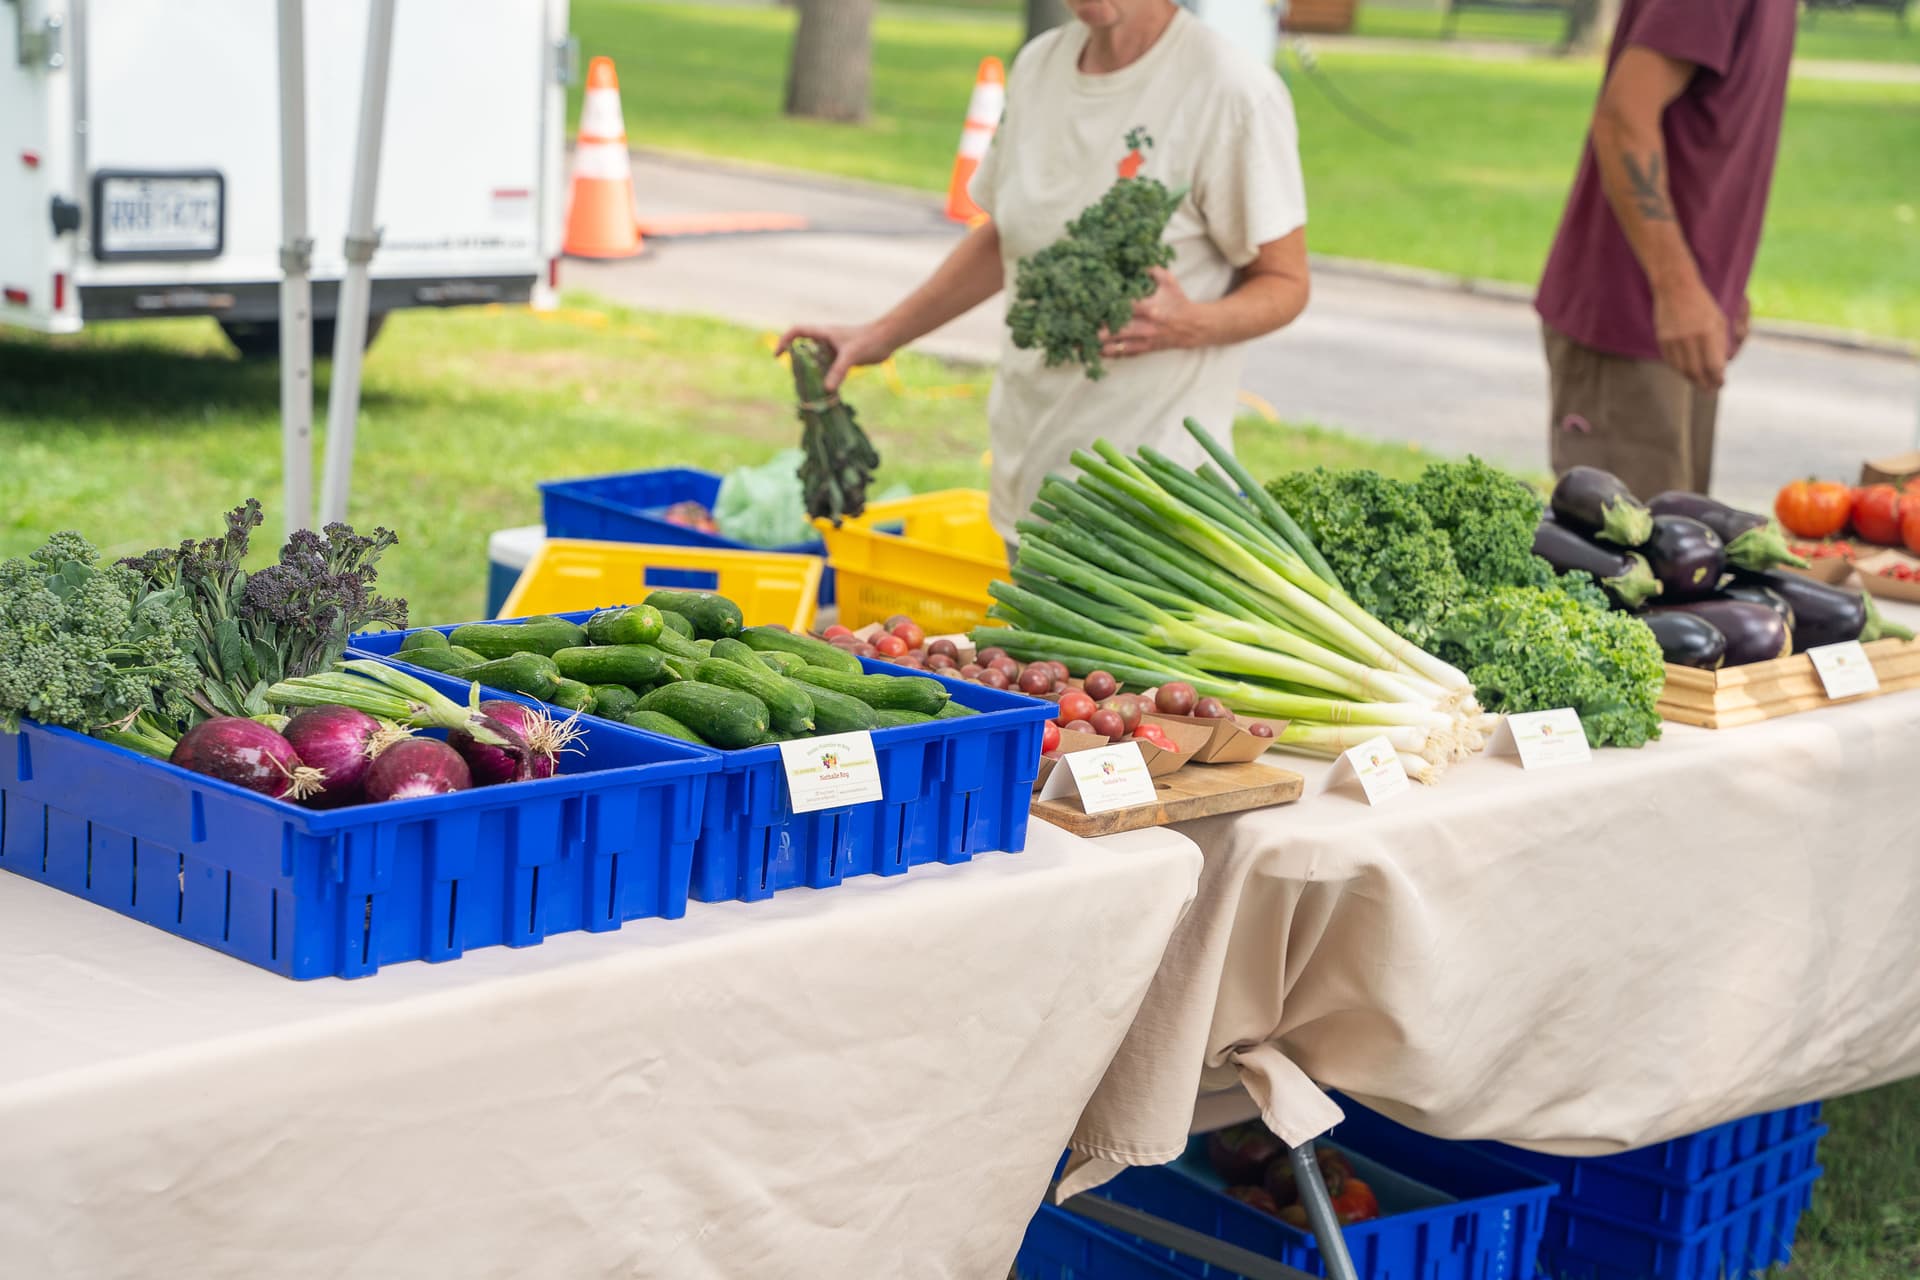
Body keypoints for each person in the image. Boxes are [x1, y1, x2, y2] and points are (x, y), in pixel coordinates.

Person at [777, 0, 1311, 547]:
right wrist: (879, 335)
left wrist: (1190, 323)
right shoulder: (1039, 66)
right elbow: (1008, 235)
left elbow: (1287, 283)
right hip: (1032, 476)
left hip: (1155, 505)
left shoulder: (1232, 92)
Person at [1536, 0, 1796, 499]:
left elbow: (1712, 123)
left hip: (1679, 318)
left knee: (1686, 557)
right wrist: (1678, 288)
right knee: (1635, 565)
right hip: (1631, 320)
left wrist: (1722, 285)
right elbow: (1623, 121)